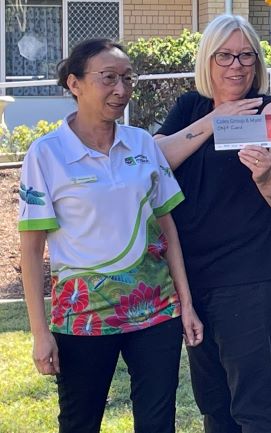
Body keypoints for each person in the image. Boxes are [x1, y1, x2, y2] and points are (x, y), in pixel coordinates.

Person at [18, 39, 203, 433]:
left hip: (155, 312)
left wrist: (184, 304)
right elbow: (31, 251)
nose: (121, 90)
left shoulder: (142, 144)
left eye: (127, 78)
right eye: (108, 78)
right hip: (82, 318)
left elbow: (167, 226)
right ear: (75, 84)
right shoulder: (45, 154)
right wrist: (40, 332)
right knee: (80, 423)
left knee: (158, 424)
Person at [153, 14, 271, 433]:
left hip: (246, 277)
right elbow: (156, 160)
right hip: (192, 280)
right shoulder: (190, 107)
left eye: (246, 55)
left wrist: (266, 178)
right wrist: (215, 119)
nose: (236, 65)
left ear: (257, 61)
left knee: (253, 403)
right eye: (225, 55)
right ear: (208, 59)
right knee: (213, 404)